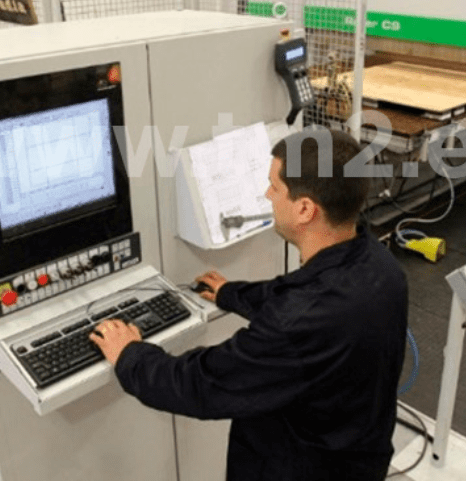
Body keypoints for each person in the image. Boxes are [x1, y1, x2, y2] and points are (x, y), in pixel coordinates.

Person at [90, 128, 408, 481]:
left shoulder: (296, 325)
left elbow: (202, 384)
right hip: (358, 460)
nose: (267, 194)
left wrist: (130, 355)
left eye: (275, 187)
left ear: (304, 209)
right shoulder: (381, 266)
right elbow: (301, 296)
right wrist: (231, 293)